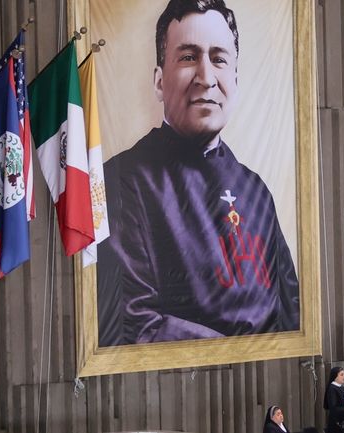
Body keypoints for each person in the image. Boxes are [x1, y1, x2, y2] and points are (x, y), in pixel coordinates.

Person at [97, 0, 300, 346]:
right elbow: (135, 323)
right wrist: (240, 356)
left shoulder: (254, 188)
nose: (206, 78)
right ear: (160, 81)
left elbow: (290, 310)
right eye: (189, 57)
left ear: (235, 80)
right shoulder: (122, 180)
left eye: (219, 59)